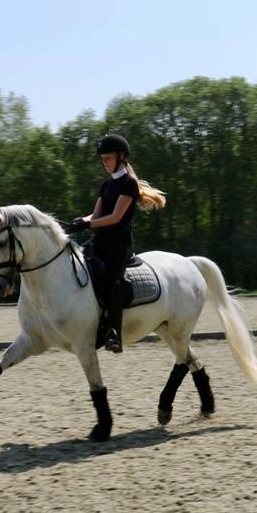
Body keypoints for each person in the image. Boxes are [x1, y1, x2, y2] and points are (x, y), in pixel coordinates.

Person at [66, 133, 166, 353]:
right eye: (103, 159)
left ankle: (114, 333)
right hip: (100, 240)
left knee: (112, 280)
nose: (105, 162)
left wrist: (89, 225)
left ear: (121, 157)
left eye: (108, 158)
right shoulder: (106, 185)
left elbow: (115, 217)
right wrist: (80, 221)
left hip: (119, 245)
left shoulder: (128, 184)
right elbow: (96, 214)